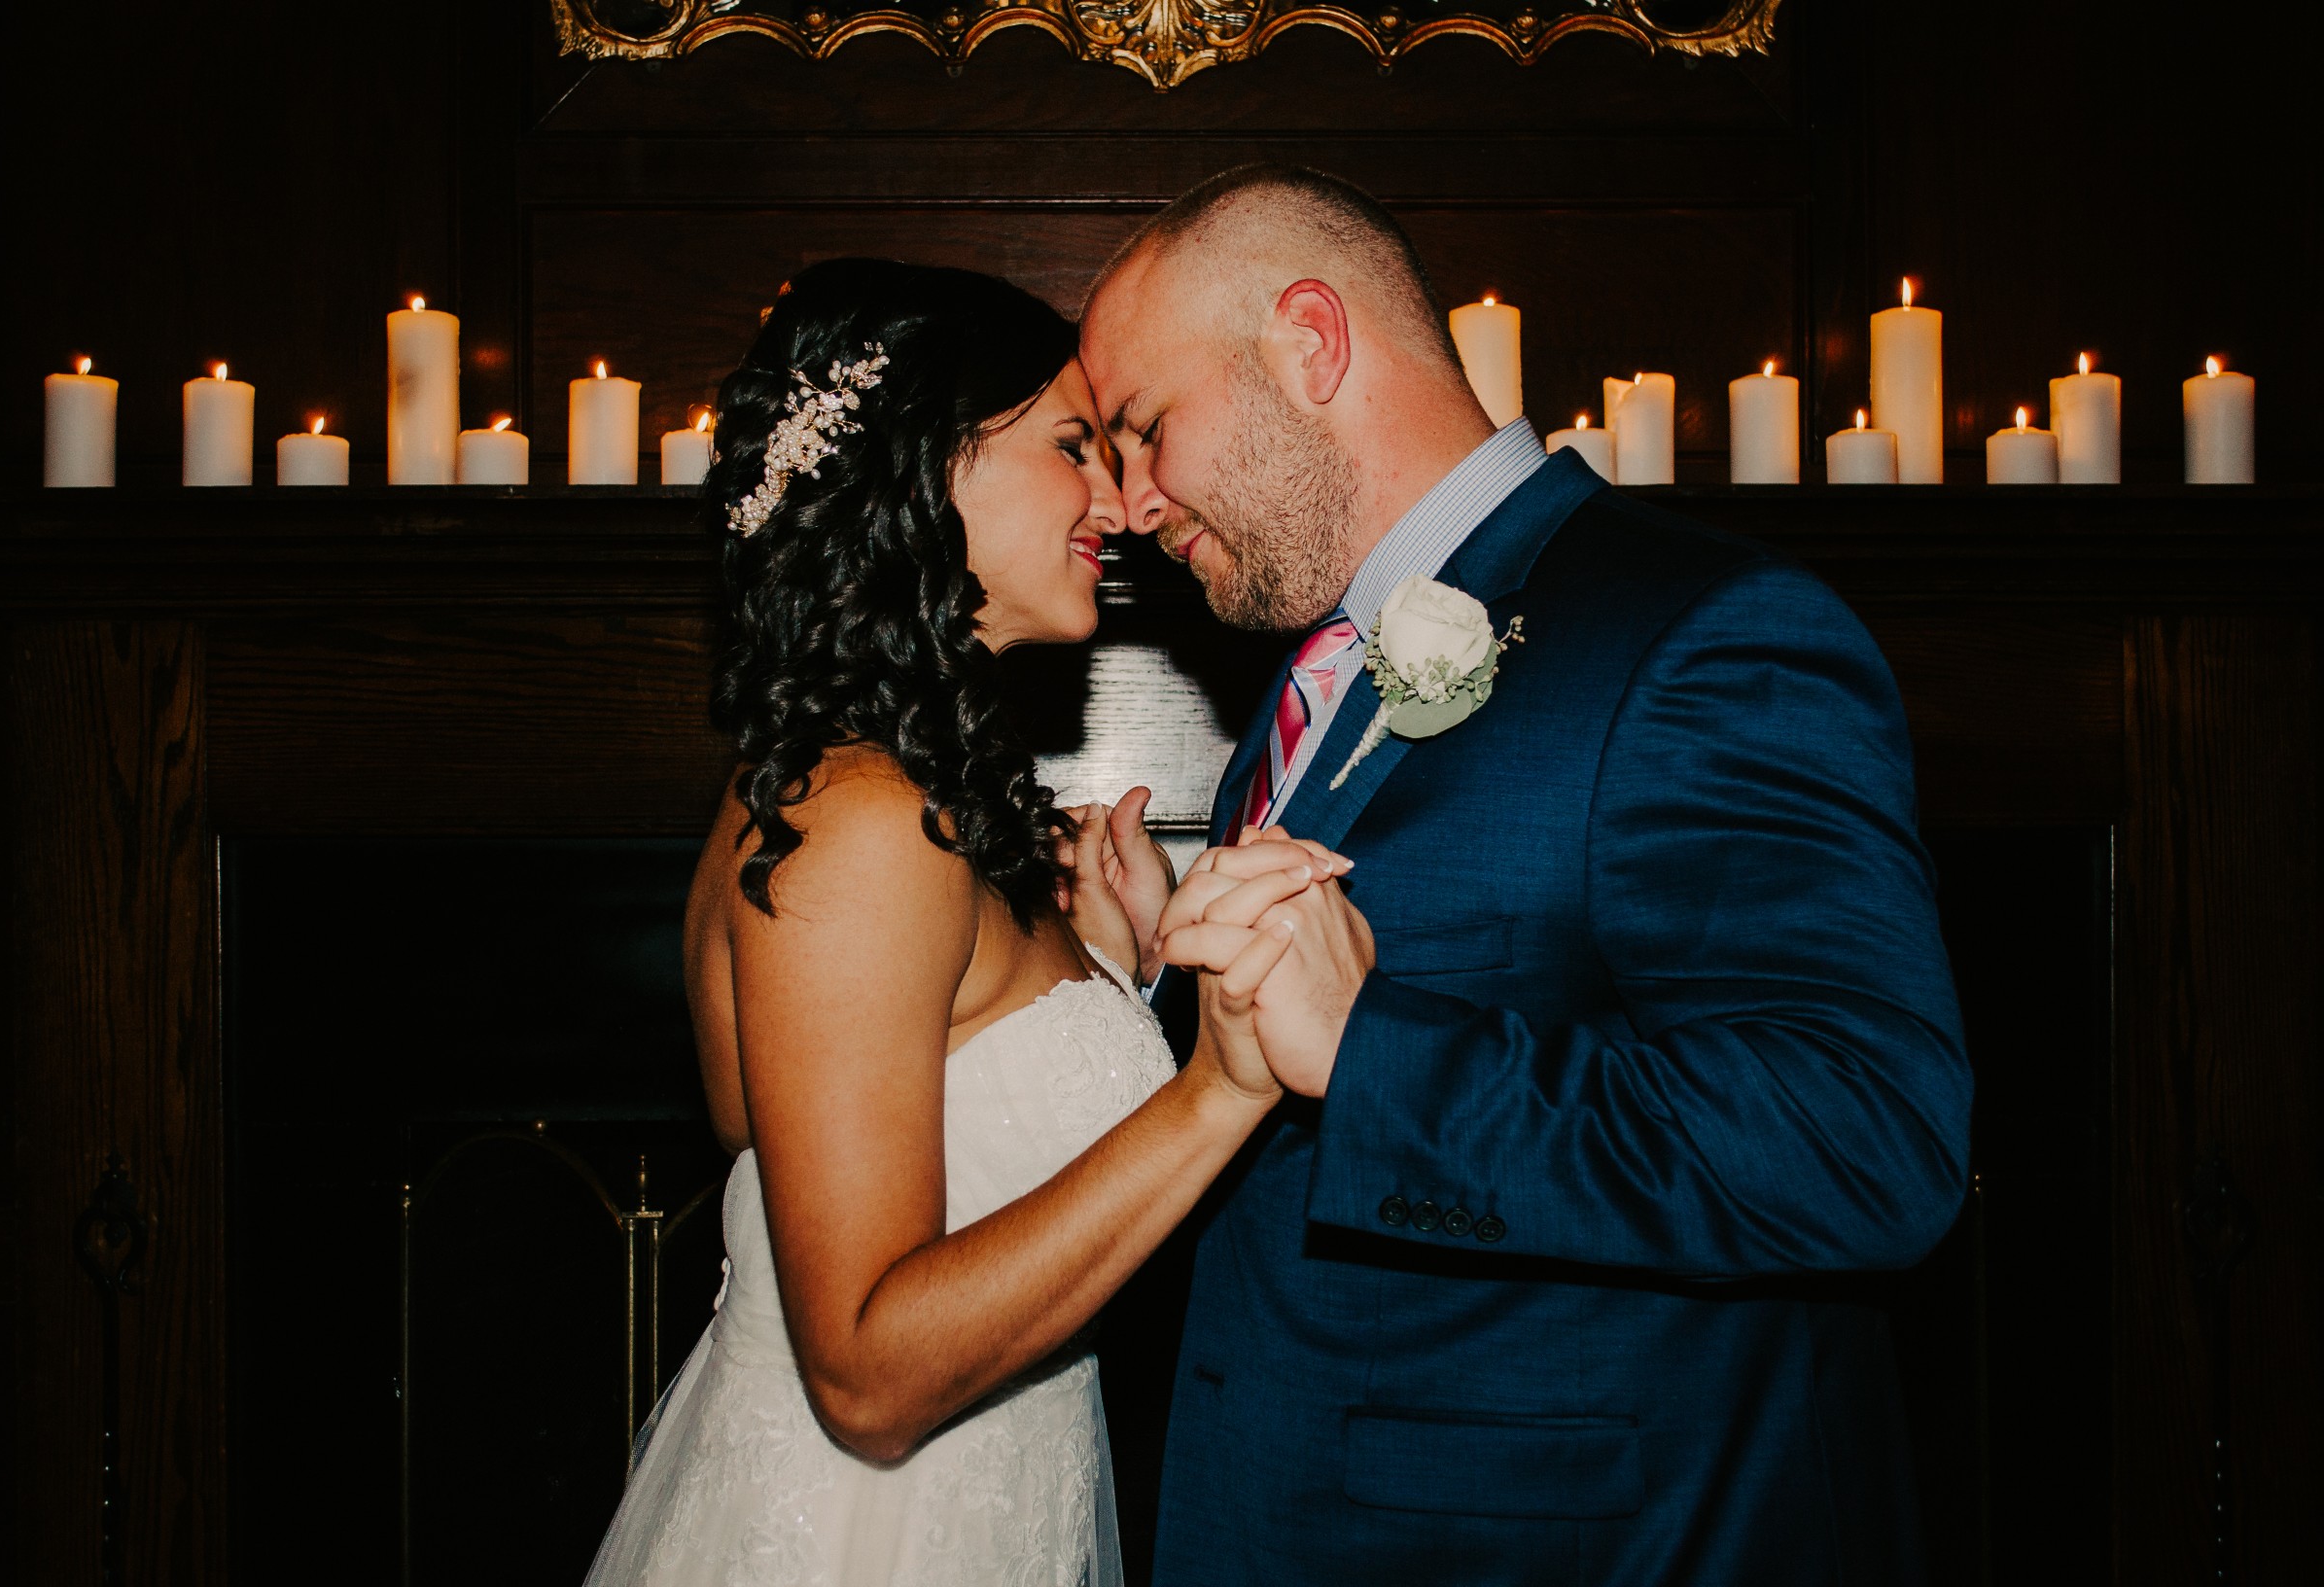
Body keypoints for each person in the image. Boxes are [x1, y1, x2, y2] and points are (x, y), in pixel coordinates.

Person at [1078, 165, 1975, 1585]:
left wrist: (1374, 1053)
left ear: (1310, 344)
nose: (1126, 503)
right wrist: (1165, 983)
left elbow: (1867, 1142)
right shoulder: (1312, 673)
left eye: (1145, 432)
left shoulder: (1703, 635)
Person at [581, 258, 1325, 1586]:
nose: (1119, 502)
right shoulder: (858, 824)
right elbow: (865, 1371)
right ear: (926, 470)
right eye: (1070, 447)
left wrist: (1120, 972)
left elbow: (896, 1129)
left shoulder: (872, 790)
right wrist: (1218, 1087)